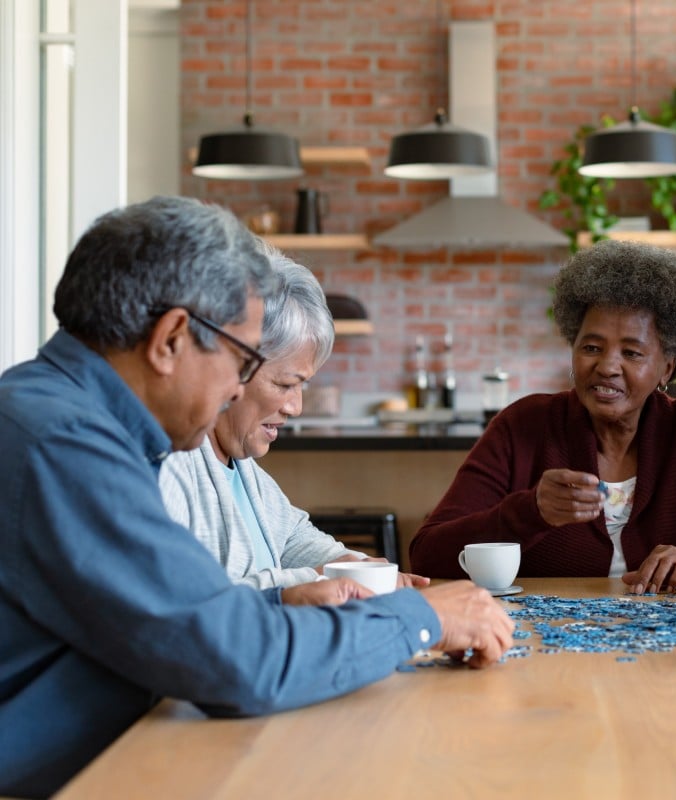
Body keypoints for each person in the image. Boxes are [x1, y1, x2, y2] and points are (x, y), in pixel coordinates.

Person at [0, 197, 514, 799]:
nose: (237, 389)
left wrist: (282, 596)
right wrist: (421, 619)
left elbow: (183, 621)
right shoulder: (67, 446)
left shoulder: (56, 415)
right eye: (244, 361)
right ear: (170, 340)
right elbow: (238, 660)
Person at [410, 239, 676, 592]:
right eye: (591, 348)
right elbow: (427, 553)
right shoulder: (522, 427)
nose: (607, 366)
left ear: (667, 368)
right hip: (545, 639)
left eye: (632, 353)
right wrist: (529, 512)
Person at [159, 245, 428, 590]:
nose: (295, 407)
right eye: (286, 384)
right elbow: (203, 604)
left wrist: (353, 564)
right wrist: (320, 579)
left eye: (303, 385)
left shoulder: (241, 467)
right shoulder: (172, 465)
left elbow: (290, 538)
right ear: (230, 363)